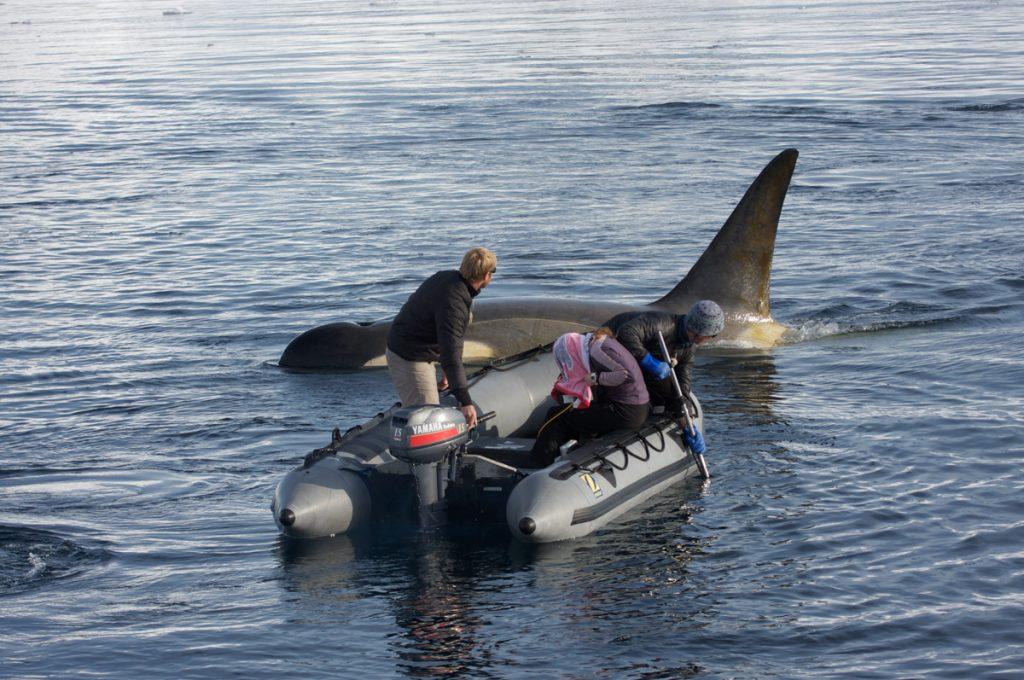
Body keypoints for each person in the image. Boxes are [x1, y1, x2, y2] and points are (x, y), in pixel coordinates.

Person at [386, 247, 497, 428]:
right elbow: (452, 354)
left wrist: (447, 377)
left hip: (419, 347)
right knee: (427, 422)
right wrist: (465, 401)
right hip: (410, 356)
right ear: (486, 276)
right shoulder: (454, 304)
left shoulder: (447, 279)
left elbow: (447, 339)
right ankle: (423, 456)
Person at [602, 300, 724, 456]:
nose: (711, 338)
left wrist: (688, 423)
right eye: (711, 335)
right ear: (699, 332)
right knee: (636, 409)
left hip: (635, 363)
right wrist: (648, 360)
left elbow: (681, 386)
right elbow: (626, 333)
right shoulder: (661, 324)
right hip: (608, 351)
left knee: (669, 393)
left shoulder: (687, 348)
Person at [529, 328, 650, 468]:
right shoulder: (600, 342)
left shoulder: (596, 351)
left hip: (625, 410)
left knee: (557, 415)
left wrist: (596, 378)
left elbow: (626, 375)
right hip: (635, 406)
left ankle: (538, 464)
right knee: (573, 412)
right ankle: (568, 452)